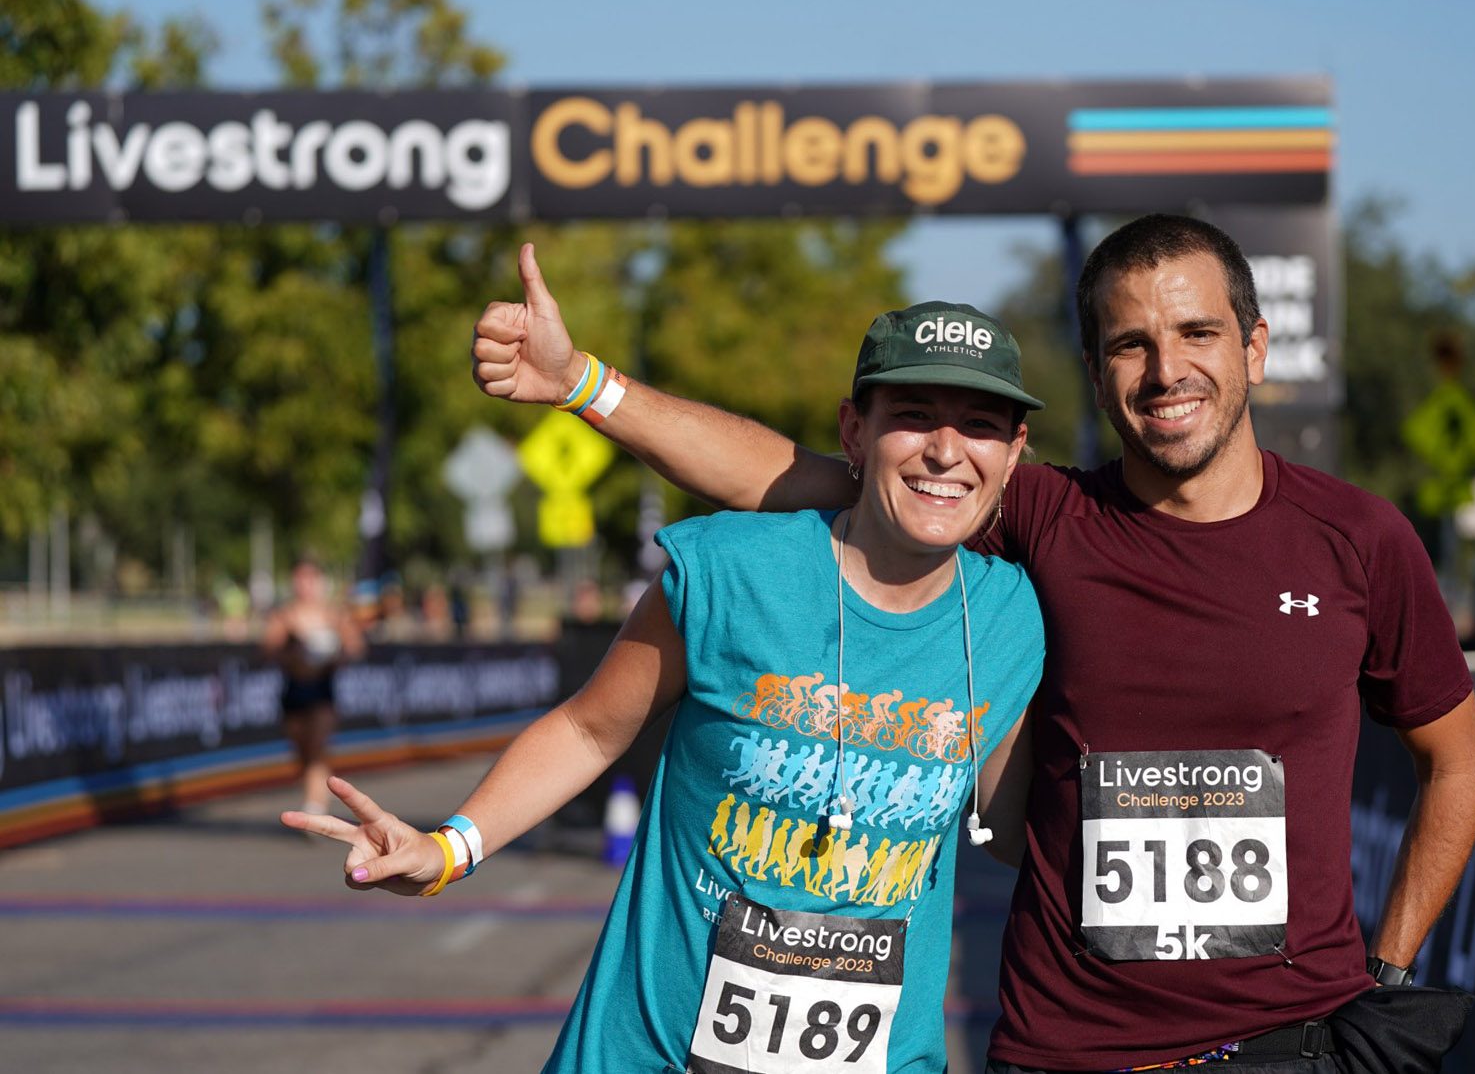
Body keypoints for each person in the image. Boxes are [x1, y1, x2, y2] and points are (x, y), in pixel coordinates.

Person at [470, 222, 1475, 1072]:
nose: (1166, 368)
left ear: (1255, 348)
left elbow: (1458, 758)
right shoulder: (1039, 514)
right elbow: (791, 473)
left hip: (1292, 1040)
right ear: (1095, 374)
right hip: (1070, 1045)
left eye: (1197, 332)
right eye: (1130, 344)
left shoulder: (1360, 539)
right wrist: (583, 385)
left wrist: (1390, 968)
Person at [287, 285, 1049, 1073]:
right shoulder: (729, 569)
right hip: (644, 1055)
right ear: (854, 430)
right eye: (914, 414)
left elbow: (1016, 819)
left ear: (1016, 449)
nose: (945, 449)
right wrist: (447, 849)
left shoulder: (1016, 614)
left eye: (981, 425)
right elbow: (588, 729)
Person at [263, 558, 364, 816]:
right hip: (294, 689)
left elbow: (355, 646)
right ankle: (313, 792)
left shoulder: (333, 614)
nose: (305, 585)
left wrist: (334, 659)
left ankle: (315, 806)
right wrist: (294, 656)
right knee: (303, 753)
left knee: (318, 748)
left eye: (310, 579)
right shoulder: (285, 615)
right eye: (300, 579)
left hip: (322, 690)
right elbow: (268, 649)